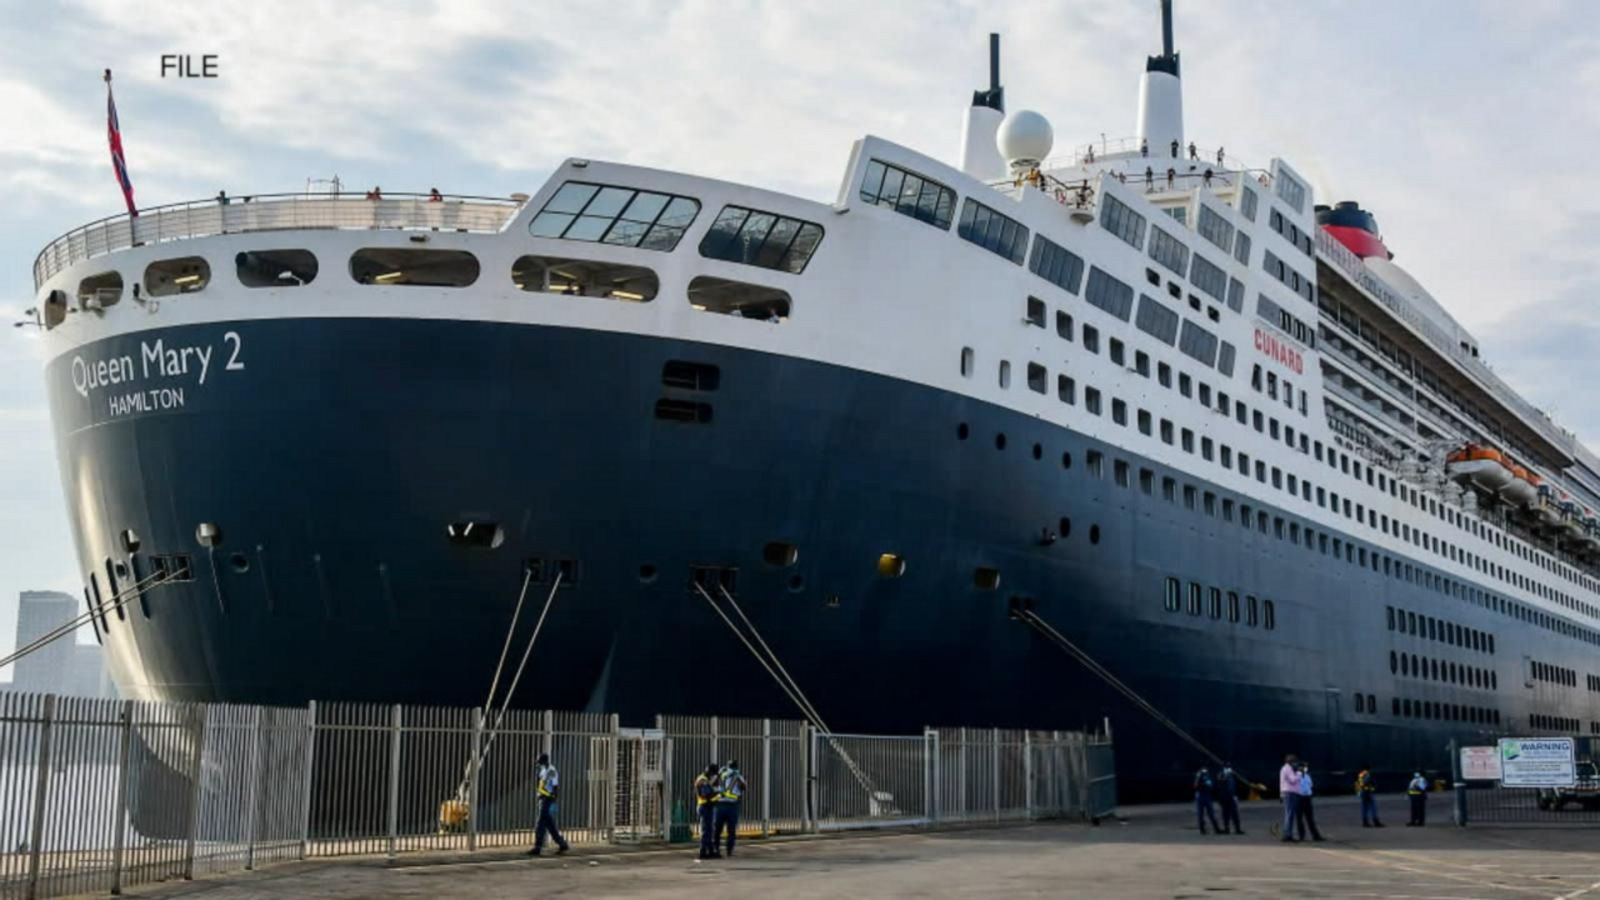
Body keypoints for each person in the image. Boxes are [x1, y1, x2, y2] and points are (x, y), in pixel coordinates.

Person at [526, 752, 570, 856]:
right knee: (550, 825)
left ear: (544, 761)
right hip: (543, 798)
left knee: (540, 823)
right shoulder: (543, 770)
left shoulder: (551, 771)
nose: (538, 764)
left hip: (548, 798)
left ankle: (537, 847)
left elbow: (555, 786)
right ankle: (562, 843)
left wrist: (552, 798)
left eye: (540, 762)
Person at [714, 760, 747, 857]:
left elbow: (713, 784)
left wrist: (719, 774)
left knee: (718, 829)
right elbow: (744, 787)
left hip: (721, 804)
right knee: (730, 830)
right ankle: (728, 850)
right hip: (731, 805)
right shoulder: (737, 775)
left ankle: (717, 848)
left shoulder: (722, 774)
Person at [694, 763, 721, 858]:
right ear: (711, 773)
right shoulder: (703, 781)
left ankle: (710, 851)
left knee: (710, 830)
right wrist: (718, 794)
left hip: (707, 807)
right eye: (714, 774)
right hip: (705, 807)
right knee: (706, 830)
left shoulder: (705, 780)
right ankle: (703, 851)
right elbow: (706, 795)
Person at [1294, 763, 1325, 841]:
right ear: (1299, 768)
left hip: (1307, 798)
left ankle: (1315, 836)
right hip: (1299, 798)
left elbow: (1311, 785)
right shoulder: (1295, 776)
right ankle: (1301, 836)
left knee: (1310, 818)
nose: (1305, 768)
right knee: (1299, 819)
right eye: (1303, 767)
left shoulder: (1308, 776)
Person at [1278, 754, 1302, 842]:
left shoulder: (1284, 768)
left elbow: (1282, 782)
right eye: (1295, 762)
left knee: (1289, 814)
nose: (1296, 764)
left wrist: (1281, 794)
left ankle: (1287, 834)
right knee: (1289, 814)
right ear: (1291, 762)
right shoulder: (1288, 769)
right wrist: (1299, 773)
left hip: (1287, 793)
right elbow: (1293, 780)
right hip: (1290, 793)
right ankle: (1287, 835)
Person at [1193, 766, 1222, 835]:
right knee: (1201, 814)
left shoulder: (1208, 777)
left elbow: (1211, 786)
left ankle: (1216, 829)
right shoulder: (1199, 777)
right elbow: (1195, 786)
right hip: (1201, 797)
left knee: (1211, 813)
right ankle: (1202, 830)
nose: (1204, 772)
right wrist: (1198, 777)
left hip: (1207, 796)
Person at [1217, 763, 1243, 834]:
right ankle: (1227, 829)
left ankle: (1237, 829)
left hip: (1231, 797)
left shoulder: (1231, 775)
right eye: (1227, 767)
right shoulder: (1221, 774)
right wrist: (1226, 774)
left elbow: (1233, 786)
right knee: (1226, 814)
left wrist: (1235, 795)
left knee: (1235, 814)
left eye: (1229, 767)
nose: (1229, 769)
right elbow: (1220, 783)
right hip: (1224, 798)